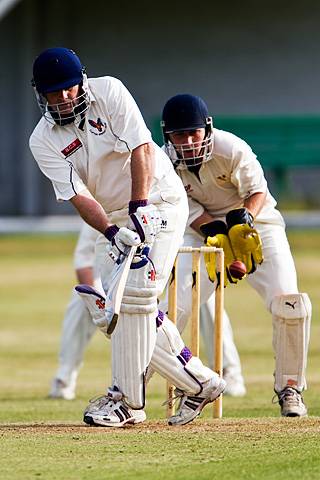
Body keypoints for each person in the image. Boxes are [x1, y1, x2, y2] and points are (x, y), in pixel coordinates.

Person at [29, 47, 225, 427]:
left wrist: (140, 206)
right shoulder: (42, 140)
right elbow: (77, 195)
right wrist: (112, 230)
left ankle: (127, 403)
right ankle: (200, 383)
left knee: (137, 295)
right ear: (42, 94)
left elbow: (141, 148)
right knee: (111, 313)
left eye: (70, 88)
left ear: (81, 82)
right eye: (56, 92)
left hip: (159, 200)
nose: (65, 97)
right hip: (114, 219)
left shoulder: (110, 92)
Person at [160, 93, 312, 417]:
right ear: (167, 135)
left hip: (258, 224)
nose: (187, 141)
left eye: (193, 133)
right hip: (201, 231)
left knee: (290, 304)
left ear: (207, 129)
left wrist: (244, 221)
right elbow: (188, 212)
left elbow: (257, 191)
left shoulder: (231, 148)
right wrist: (214, 232)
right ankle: (135, 388)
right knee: (174, 306)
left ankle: (290, 388)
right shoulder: (165, 165)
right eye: (179, 134)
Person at [49, 221, 101, 400]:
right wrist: (94, 299)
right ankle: (64, 379)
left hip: (140, 289)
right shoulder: (99, 214)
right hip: (104, 287)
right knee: (80, 300)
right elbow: (83, 263)